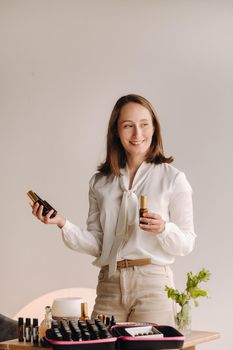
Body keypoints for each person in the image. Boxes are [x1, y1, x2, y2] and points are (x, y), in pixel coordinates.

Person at [31, 94, 196, 326]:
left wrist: (163, 228)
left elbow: (187, 243)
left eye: (144, 124)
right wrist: (62, 223)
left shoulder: (173, 179)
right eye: (128, 126)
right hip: (109, 283)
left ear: (154, 128)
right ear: (116, 132)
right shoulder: (100, 182)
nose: (138, 134)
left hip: (153, 285)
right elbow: (98, 244)